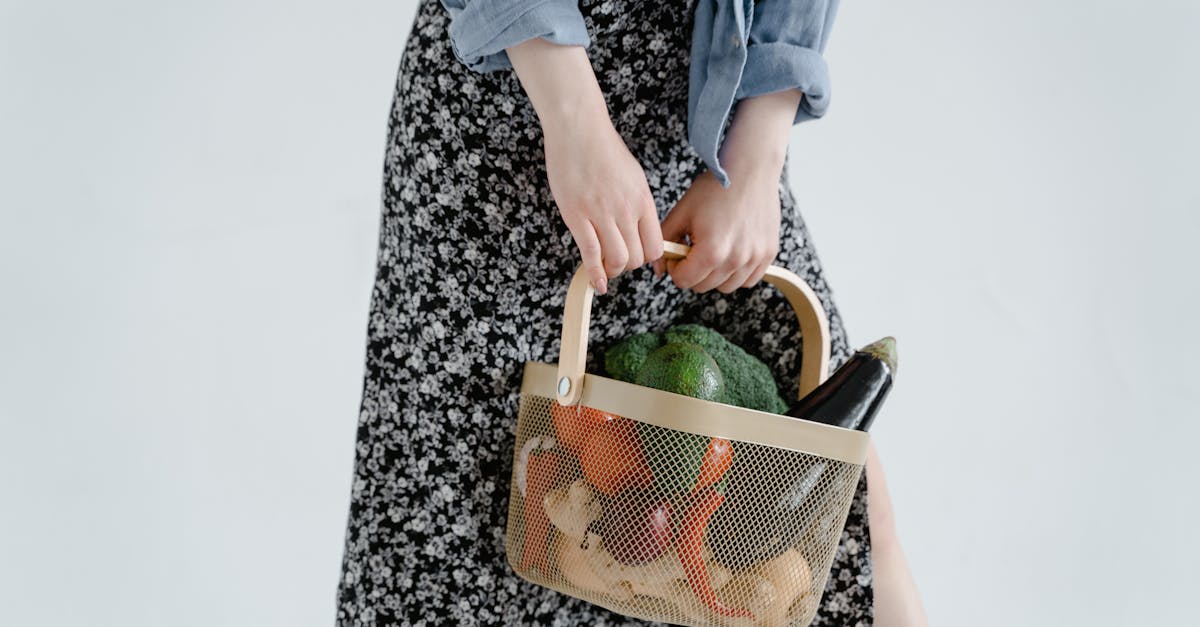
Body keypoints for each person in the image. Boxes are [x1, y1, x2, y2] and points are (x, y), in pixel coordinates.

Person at [336, 0, 927, 625]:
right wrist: (575, 121)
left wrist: (758, 160)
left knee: (846, 512)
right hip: (511, 112)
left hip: (708, 141)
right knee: (477, 531)